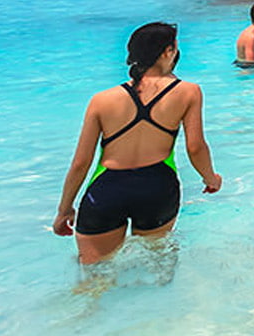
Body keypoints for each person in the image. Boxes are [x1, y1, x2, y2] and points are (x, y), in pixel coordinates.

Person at [53, 22, 221, 264]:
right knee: (157, 266)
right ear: (167, 52)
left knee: (94, 279)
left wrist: (64, 209)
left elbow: (81, 162)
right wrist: (210, 178)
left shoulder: (101, 100)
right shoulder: (188, 92)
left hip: (107, 190)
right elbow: (195, 147)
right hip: (157, 187)